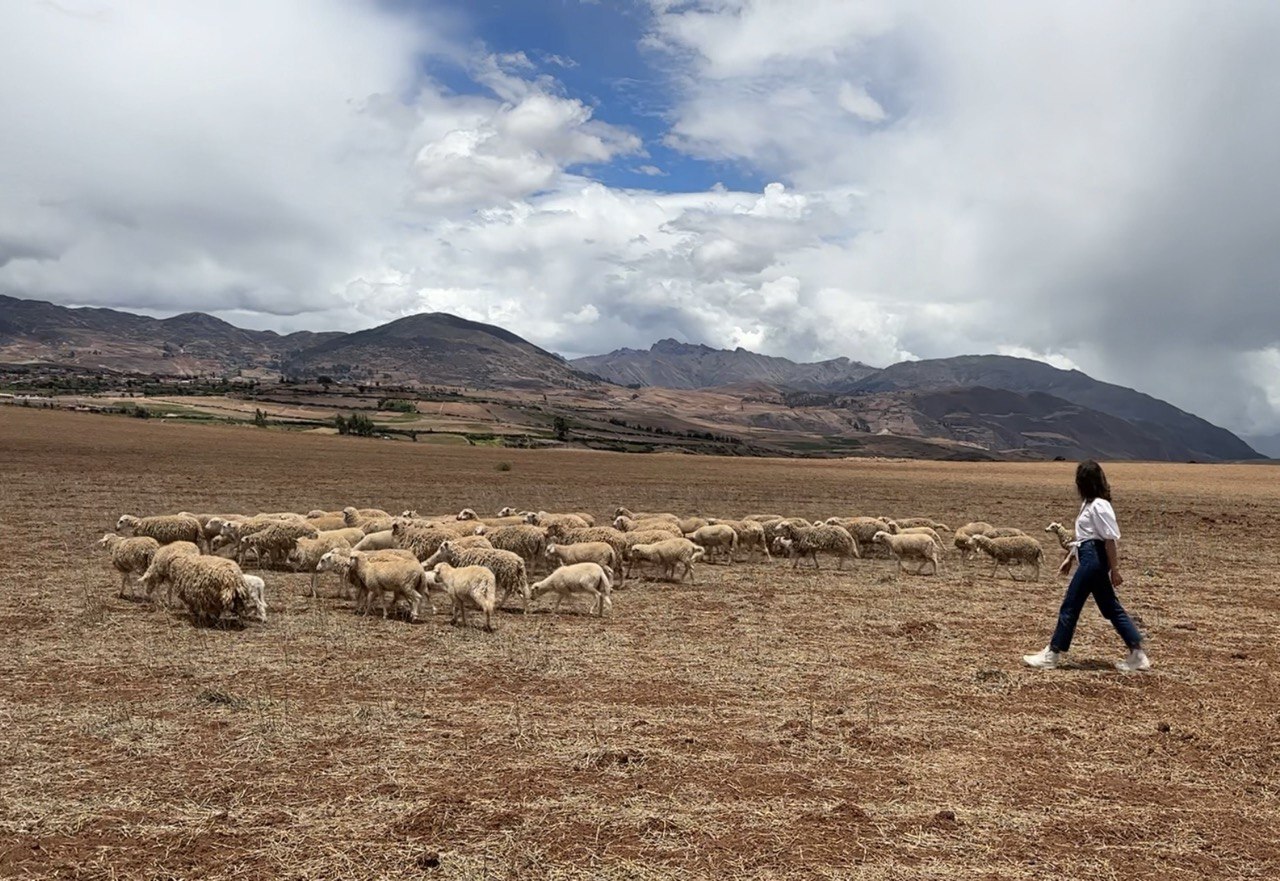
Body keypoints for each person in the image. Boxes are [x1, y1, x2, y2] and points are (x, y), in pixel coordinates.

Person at [1023, 460, 1151, 672]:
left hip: (1094, 560)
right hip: (1090, 557)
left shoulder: (1100, 505)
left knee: (1071, 605)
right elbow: (1086, 538)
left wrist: (1115, 570)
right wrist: (1071, 557)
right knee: (1111, 607)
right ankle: (1138, 653)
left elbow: (1109, 539)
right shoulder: (1089, 505)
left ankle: (1053, 653)